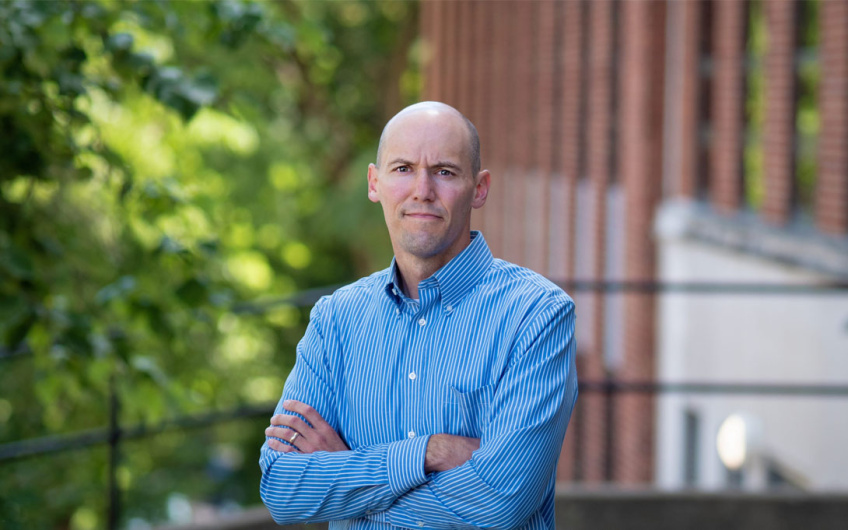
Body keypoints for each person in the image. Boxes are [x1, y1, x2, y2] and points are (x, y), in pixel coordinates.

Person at [259, 101, 578, 529]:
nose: (422, 190)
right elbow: (283, 488)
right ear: (375, 183)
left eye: (444, 171)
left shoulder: (536, 316)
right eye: (403, 169)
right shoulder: (336, 320)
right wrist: (428, 453)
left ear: (479, 188)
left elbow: (500, 503)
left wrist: (348, 476)